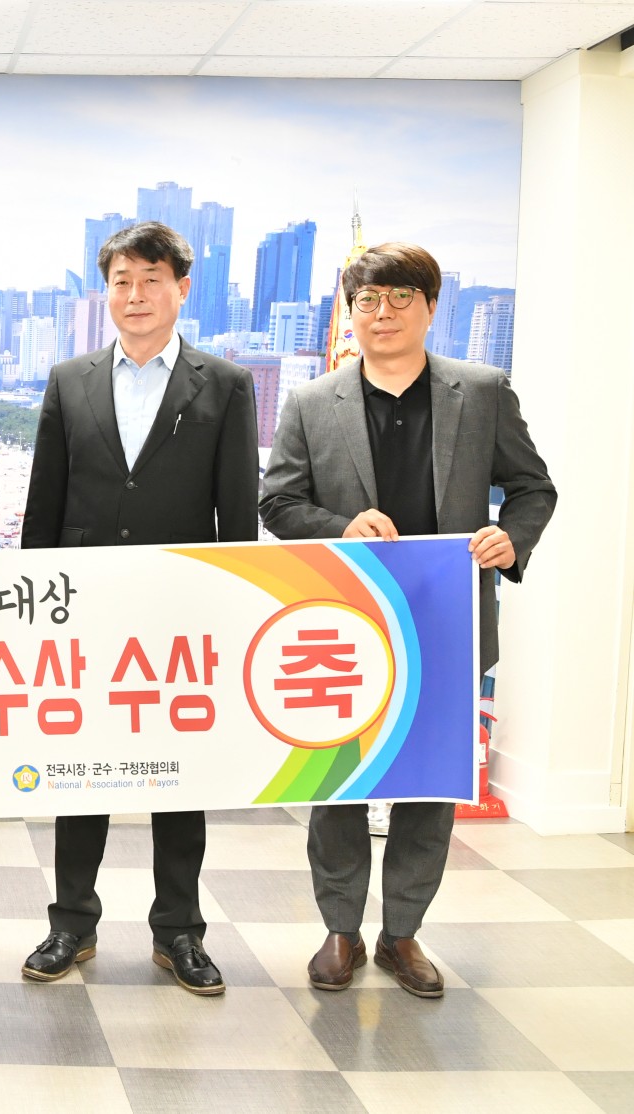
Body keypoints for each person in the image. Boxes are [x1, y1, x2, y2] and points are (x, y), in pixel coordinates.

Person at [260, 241, 555, 998]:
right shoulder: (311, 401)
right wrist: (340, 525)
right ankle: (339, 930)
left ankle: (402, 934)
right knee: (339, 781)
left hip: (447, 619)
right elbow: (278, 503)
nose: (382, 313)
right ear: (350, 312)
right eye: (367, 300)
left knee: (429, 784)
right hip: (343, 622)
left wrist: (510, 538)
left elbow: (533, 488)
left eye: (400, 298)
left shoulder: (481, 391)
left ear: (430, 308)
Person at [19, 221, 258, 994]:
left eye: (151, 280)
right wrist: (37, 609)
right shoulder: (70, 379)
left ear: (181, 289)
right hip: (85, 611)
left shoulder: (225, 385)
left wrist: (228, 614)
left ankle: (179, 931)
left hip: (181, 613)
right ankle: (71, 923)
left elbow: (237, 516)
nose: (135, 295)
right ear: (106, 292)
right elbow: (44, 506)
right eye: (121, 281)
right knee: (81, 769)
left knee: (180, 776)